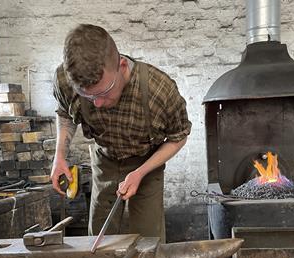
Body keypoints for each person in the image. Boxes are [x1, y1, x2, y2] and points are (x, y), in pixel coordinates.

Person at [51, 24, 191, 241]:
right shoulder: (65, 81)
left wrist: (140, 172)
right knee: (99, 237)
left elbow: (178, 136)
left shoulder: (159, 90)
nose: (97, 104)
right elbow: (65, 113)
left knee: (148, 240)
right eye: (87, 96)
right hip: (105, 159)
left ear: (122, 66)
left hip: (147, 161)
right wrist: (59, 156)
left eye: (104, 92)